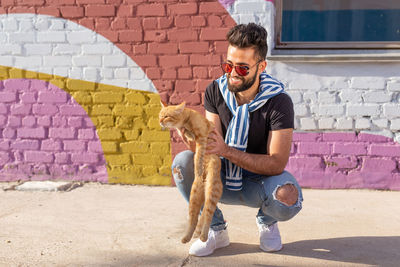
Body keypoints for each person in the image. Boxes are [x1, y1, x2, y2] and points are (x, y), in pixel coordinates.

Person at [171, 23, 303, 257]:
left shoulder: (279, 102)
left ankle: (267, 221)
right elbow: (211, 147)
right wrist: (189, 136)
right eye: (228, 65)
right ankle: (216, 230)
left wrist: (228, 151)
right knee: (183, 163)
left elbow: (276, 163)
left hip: (259, 183)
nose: (232, 73)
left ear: (261, 66)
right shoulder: (215, 91)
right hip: (222, 176)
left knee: (288, 197)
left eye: (242, 69)